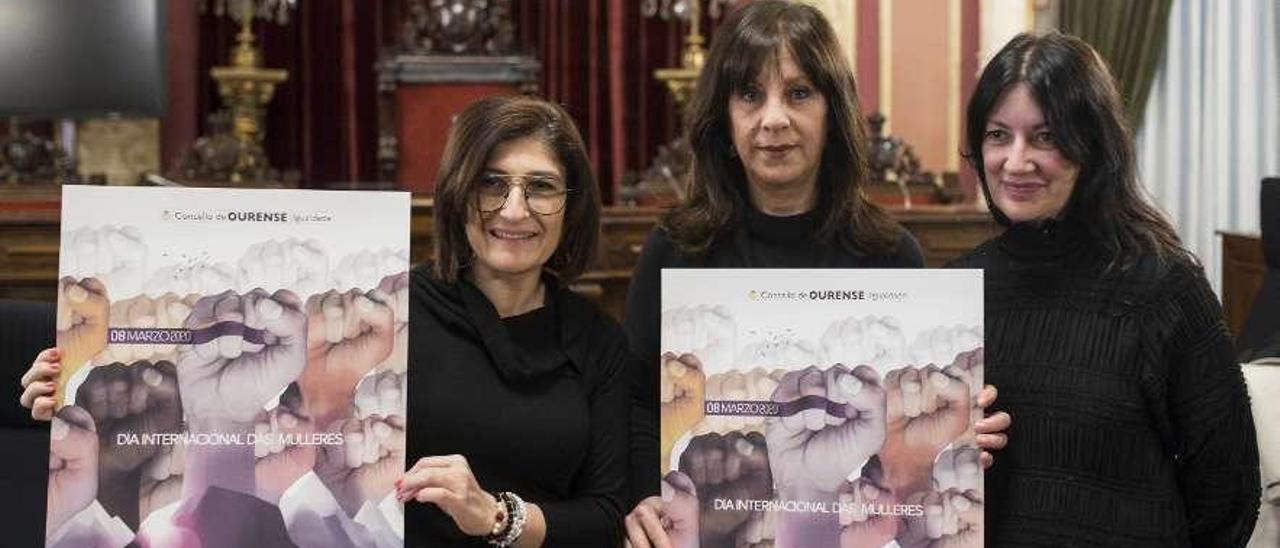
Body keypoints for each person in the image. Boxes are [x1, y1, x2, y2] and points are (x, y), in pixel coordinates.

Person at [22, 95, 631, 547]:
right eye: (491, 184)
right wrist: (71, 389)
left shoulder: (599, 340)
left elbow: (607, 515)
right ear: (456, 194)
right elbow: (230, 447)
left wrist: (496, 516)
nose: (514, 210)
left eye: (542, 187)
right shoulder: (376, 315)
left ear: (572, 205)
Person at [621, 2, 1009, 546]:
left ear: (834, 112)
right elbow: (638, 402)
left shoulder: (892, 255)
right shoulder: (675, 250)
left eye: (799, 93)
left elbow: (902, 437)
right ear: (723, 118)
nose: (773, 119)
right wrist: (643, 499)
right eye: (750, 95)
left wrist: (965, 436)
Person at [949, 31, 1260, 546]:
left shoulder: (1166, 289)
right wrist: (945, 457)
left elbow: (1227, 490)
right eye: (998, 135)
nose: (1016, 161)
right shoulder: (955, 292)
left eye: (1046, 137)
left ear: (1092, 145)